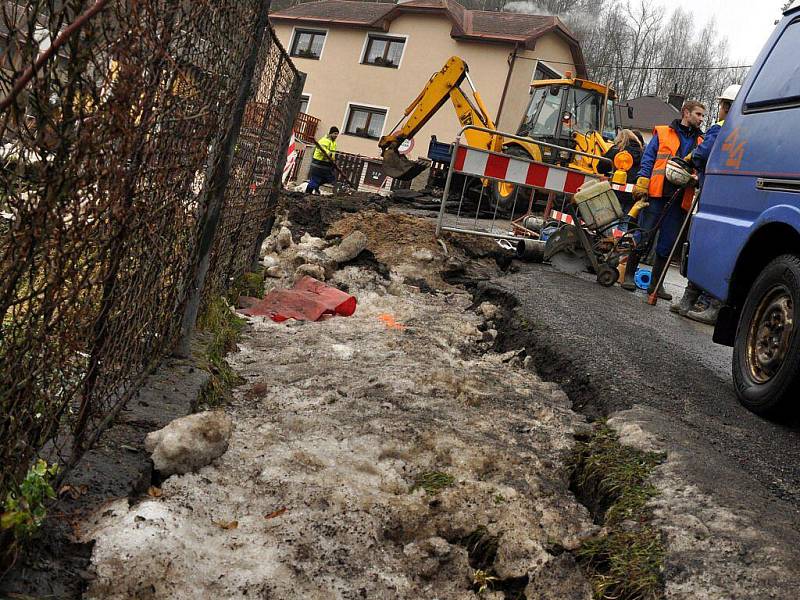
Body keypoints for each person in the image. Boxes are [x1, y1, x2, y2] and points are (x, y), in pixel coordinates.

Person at [671, 85, 741, 323]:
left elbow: (702, 154)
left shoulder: (722, 127)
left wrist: (691, 161)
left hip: (714, 190)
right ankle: (694, 301)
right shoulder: (751, 128)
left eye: (721, 105)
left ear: (726, 107)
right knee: (722, 246)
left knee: (702, 244)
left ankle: (694, 302)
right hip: (734, 192)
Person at [624, 100, 706, 299]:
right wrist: (643, 179)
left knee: (667, 243)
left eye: (703, 116)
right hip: (657, 194)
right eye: (698, 114)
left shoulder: (701, 142)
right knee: (644, 234)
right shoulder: (663, 133)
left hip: (680, 199)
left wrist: (697, 179)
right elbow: (649, 158)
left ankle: (656, 285)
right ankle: (628, 275)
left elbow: (702, 168)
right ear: (686, 113)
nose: (701, 119)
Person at [597, 128, 643, 213]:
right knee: (625, 219)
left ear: (620, 138)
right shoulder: (642, 153)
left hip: (616, 192)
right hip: (633, 193)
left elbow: (600, 167)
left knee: (612, 219)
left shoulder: (616, 150)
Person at [306, 126, 339, 195]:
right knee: (315, 179)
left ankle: (315, 186)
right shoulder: (324, 140)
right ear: (330, 133)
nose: (336, 136)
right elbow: (322, 150)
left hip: (326, 165)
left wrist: (333, 160)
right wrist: (328, 153)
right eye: (335, 133)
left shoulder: (333, 143)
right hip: (318, 164)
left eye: (337, 134)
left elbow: (332, 154)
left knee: (330, 178)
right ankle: (307, 193)